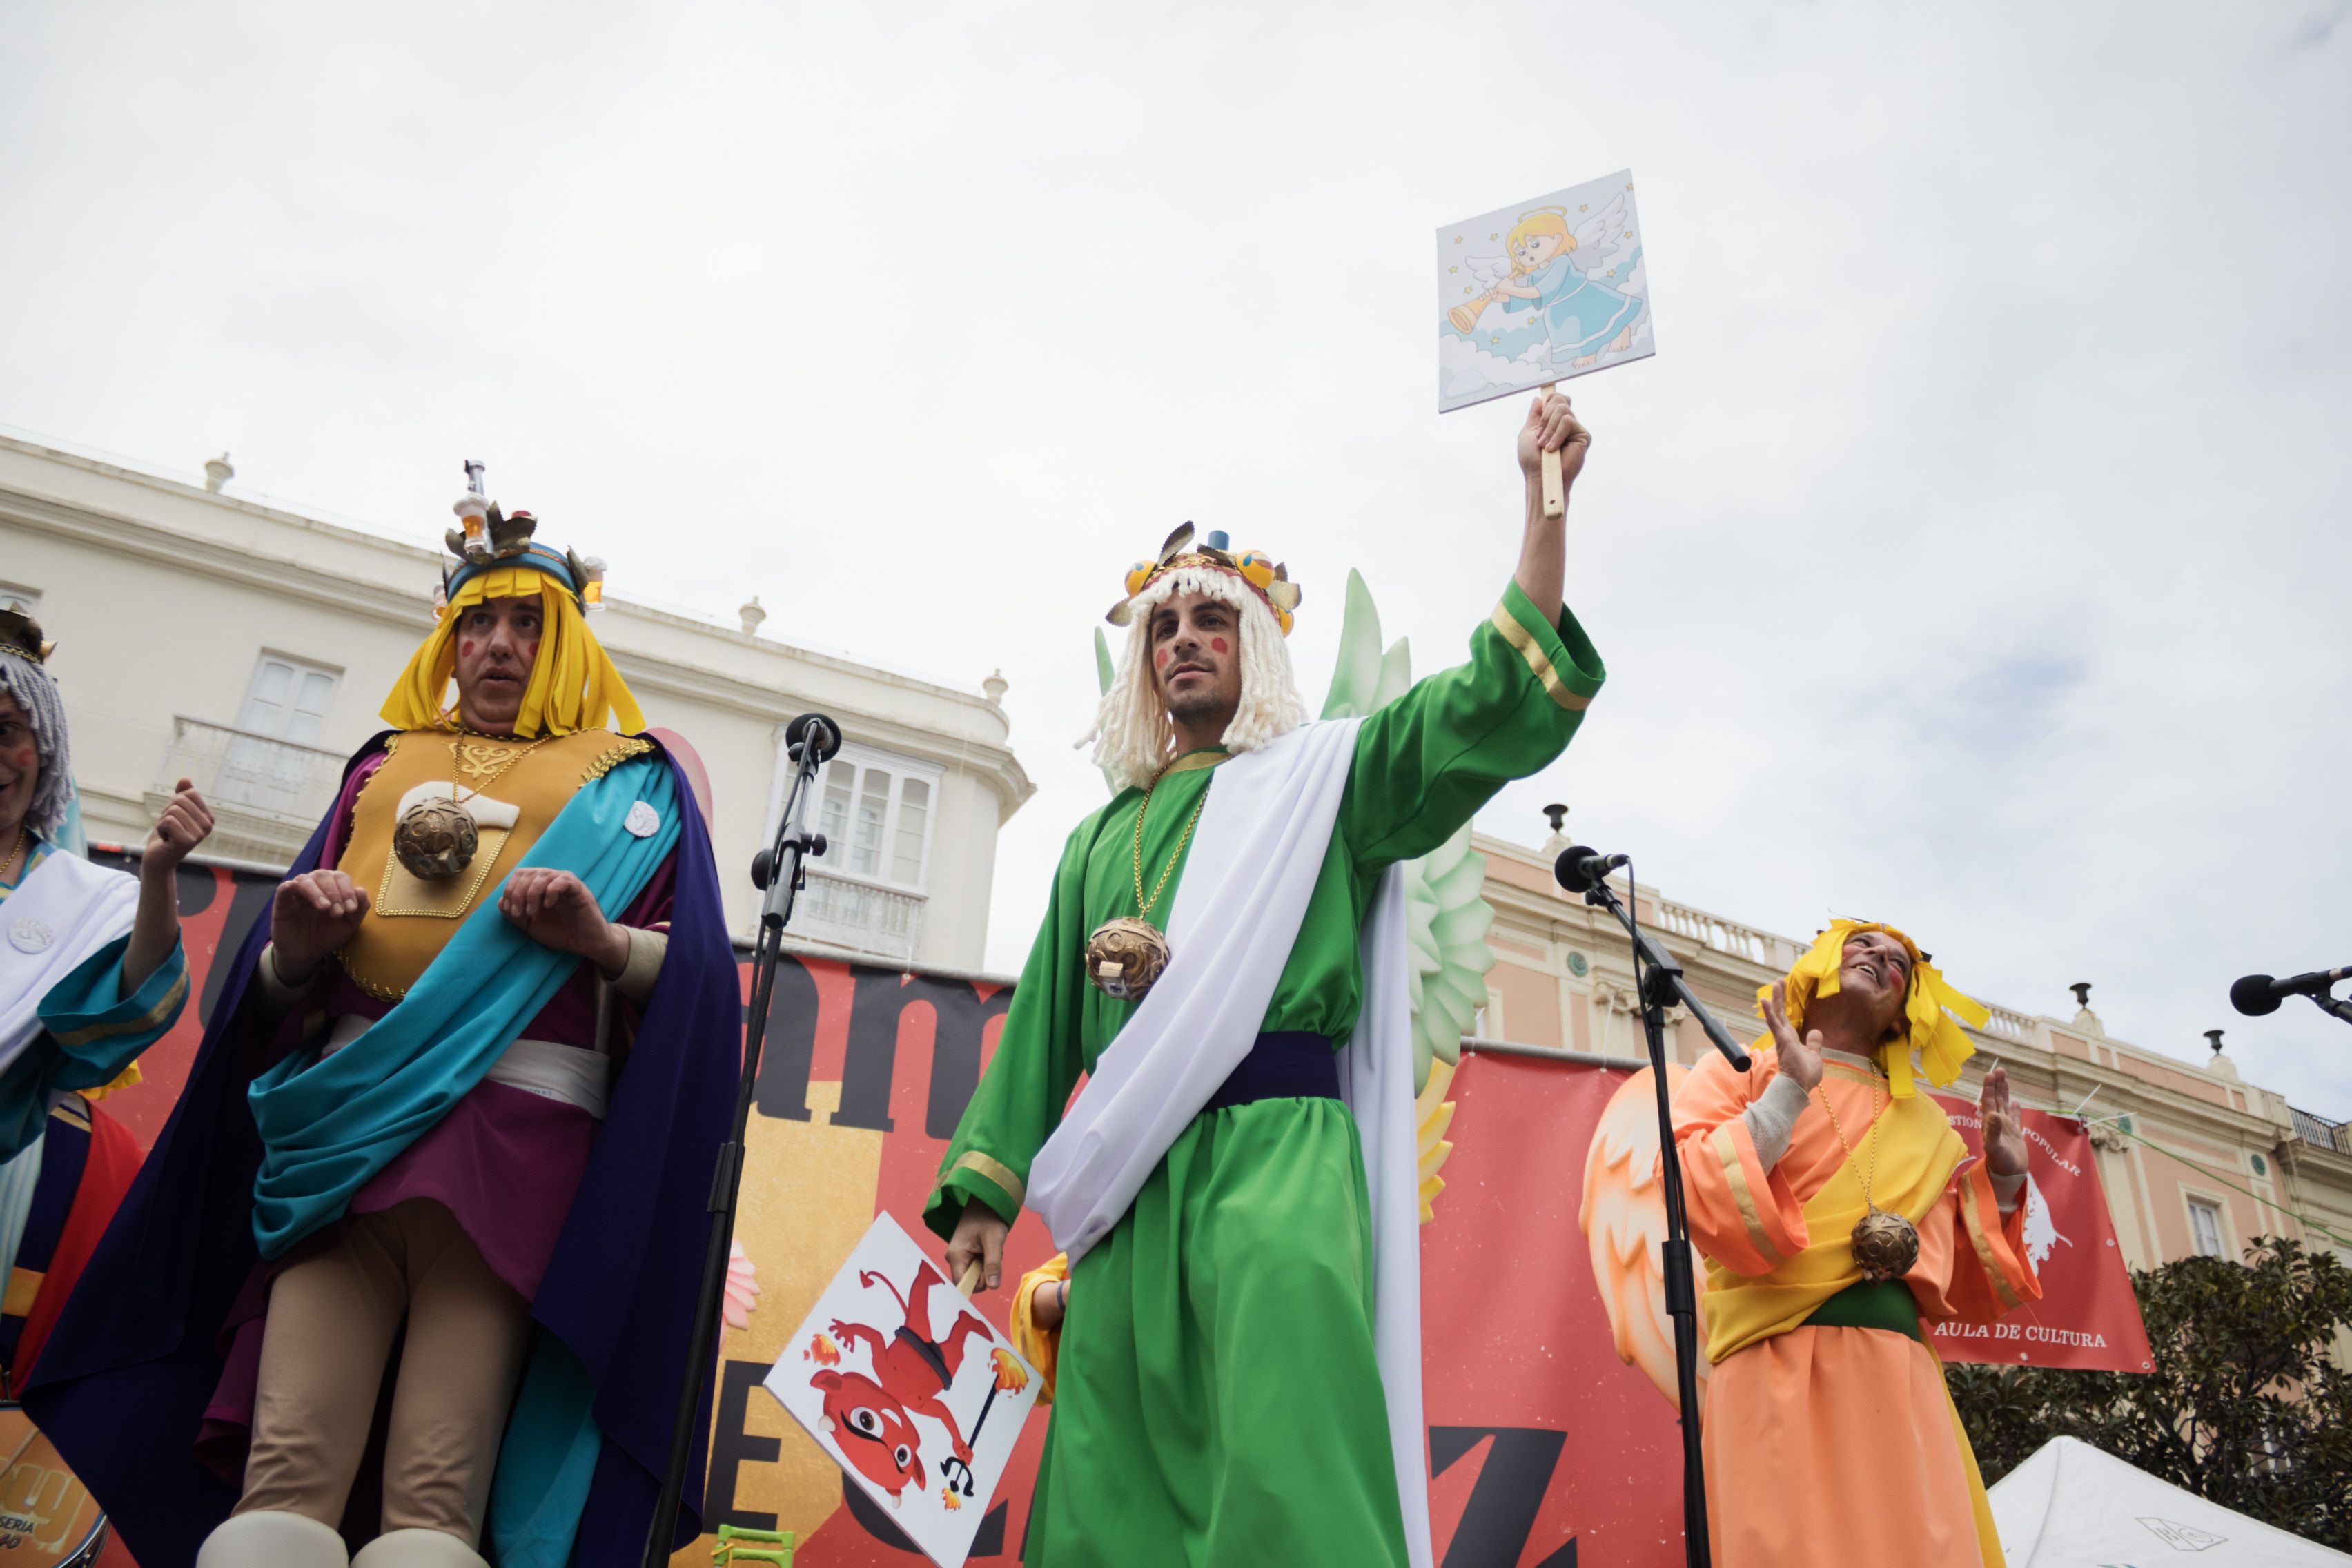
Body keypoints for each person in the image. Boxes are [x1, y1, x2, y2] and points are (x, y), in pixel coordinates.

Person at [928, 390, 1607, 1568]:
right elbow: (1041, 1026)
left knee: (1292, 1473)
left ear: (1257, 646)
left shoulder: (1322, 784)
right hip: (1132, 1181)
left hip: (1279, 1162)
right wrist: (985, 1189)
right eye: (1163, 625)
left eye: (1212, 619)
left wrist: (1542, 510)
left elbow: (1477, 706)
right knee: (1107, 1491)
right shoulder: (1097, 841)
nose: (1183, 639)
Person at [26, 501, 744, 1568]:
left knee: (434, 1495)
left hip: (514, 1165)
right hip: (336, 1149)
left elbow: (700, 989)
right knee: (284, 1478)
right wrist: (292, 952)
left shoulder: (636, 787)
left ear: (570, 642)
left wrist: (600, 941)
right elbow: (269, 999)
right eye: (477, 622)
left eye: (529, 623)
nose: (498, 645)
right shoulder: (377, 769)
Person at [1669, 920, 2042, 1568]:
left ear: (1904, 1013)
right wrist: (1787, 1091)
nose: (1879, 956)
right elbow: (1692, 1186)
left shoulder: (1927, 1125)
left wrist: (2006, 1181)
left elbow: (1962, 1281)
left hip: (1898, 1378)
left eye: (1899, 962)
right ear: (1818, 968)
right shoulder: (1738, 1070)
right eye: (1862, 943)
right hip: (1772, 1361)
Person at [0, 607, 212, 1386]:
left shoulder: (76, 896)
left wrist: (158, 875)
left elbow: (124, 1005)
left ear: (46, 749)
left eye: (8, 731)